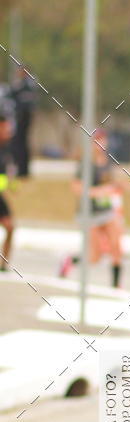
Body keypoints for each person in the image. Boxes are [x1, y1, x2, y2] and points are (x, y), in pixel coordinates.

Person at [59, 133, 123, 288]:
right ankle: (70, 261)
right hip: (89, 212)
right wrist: (97, 192)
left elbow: (108, 183)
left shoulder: (107, 162)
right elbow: (76, 188)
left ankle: (116, 286)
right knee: (95, 257)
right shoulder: (85, 164)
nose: (101, 145)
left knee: (116, 247)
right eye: (97, 142)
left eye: (103, 141)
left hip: (106, 210)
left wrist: (116, 188)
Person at [9, 66, 36, 178]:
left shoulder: (27, 85)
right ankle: (22, 170)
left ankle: (23, 170)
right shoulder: (25, 85)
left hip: (23, 117)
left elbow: (14, 93)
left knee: (20, 143)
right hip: (21, 117)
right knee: (20, 143)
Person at [0, 115, 15, 271]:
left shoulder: (7, 148)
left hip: (0, 196)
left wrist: (11, 183)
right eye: (5, 128)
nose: (8, 132)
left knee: (10, 227)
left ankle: (3, 264)